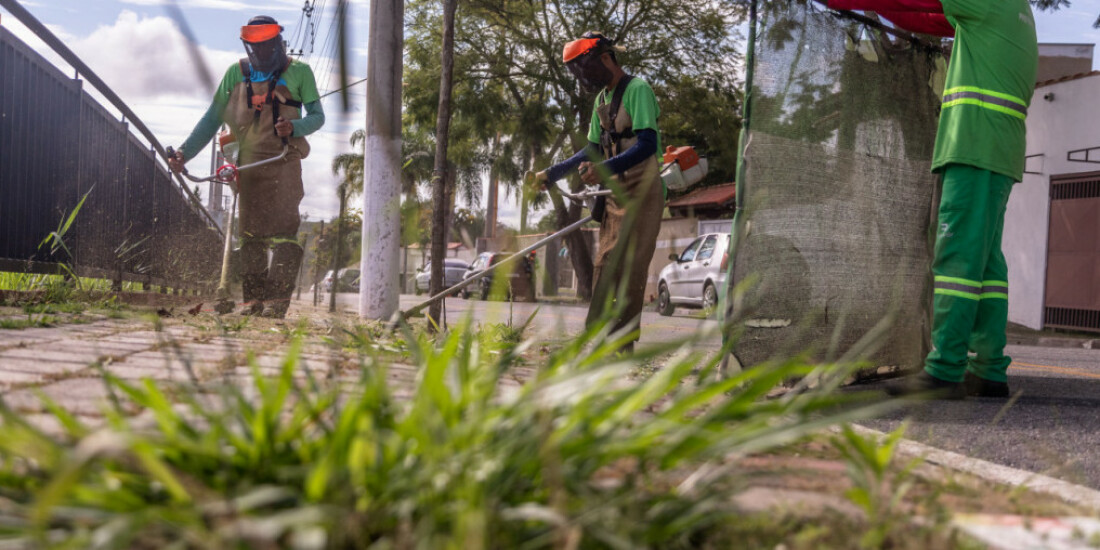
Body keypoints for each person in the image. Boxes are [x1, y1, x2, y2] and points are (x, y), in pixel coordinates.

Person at [828, 0, 1037, 398]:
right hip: (998, 152)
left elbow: (910, 3)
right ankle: (989, 369)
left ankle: (945, 369)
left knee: (956, 258)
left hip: (973, 144)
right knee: (986, 267)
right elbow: (925, 17)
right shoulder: (1012, 10)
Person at [168, 15, 325, 318]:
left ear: (279, 43)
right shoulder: (235, 74)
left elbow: (318, 116)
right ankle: (253, 304)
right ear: (248, 48)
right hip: (248, 165)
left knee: (283, 234)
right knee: (251, 236)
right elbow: (212, 119)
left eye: (268, 47)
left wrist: (294, 127)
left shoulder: (300, 72)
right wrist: (184, 154)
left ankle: (277, 304)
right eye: (256, 49)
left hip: (284, 161)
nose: (263, 54)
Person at [530, 31, 664, 350]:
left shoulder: (637, 89)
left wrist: (604, 169)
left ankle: (619, 346)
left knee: (629, 270)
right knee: (605, 262)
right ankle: (598, 338)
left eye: (585, 69)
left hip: (643, 191)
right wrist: (552, 173)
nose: (583, 78)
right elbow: (592, 148)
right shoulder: (601, 100)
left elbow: (648, 143)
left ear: (605, 59)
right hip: (615, 192)